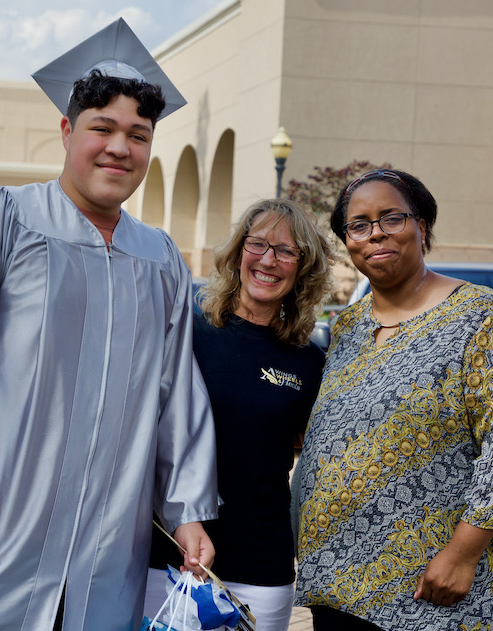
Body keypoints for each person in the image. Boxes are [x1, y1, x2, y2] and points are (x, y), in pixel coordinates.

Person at [0, 18, 219, 631]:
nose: (120, 147)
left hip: (110, 547)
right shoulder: (5, 219)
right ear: (66, 130)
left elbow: (176, 395)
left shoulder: (159, 257)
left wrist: (186, 511)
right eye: (102, 128)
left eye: (138, 135)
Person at [294, 169, 493, 631]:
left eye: (391, 217)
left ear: (423, 227)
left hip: (428, 590)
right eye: (359, 224)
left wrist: (462, 553)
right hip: (337, 583)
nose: (375, 233)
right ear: (348, 241)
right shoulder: (348, 328)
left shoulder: (477, 315)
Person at [144, 199, 335, 630]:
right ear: (238, 252)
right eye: (258, 244)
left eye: (287, 251)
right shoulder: (185, 334)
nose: (269, 260)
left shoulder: (309, 363)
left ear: (303, 268)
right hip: (169, 555)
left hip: (259, 564)